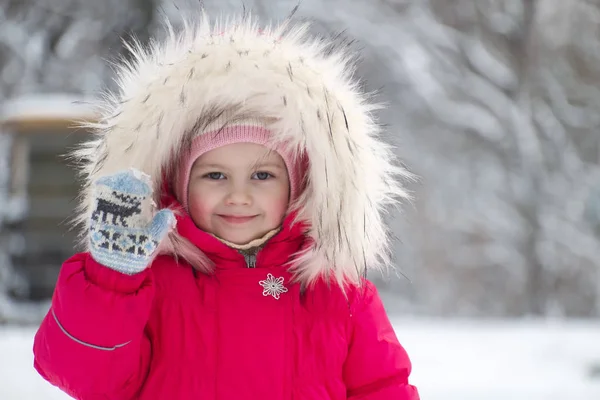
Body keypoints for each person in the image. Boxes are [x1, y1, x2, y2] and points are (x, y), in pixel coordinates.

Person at [33, 11, 419, 400]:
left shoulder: (339, 294)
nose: (238, 196)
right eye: (215, 176)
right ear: (179, 187)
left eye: (262, 176)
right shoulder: (154, 286)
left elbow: (383, 387)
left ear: (299, 187)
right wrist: (110, 282)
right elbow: (87, 378)